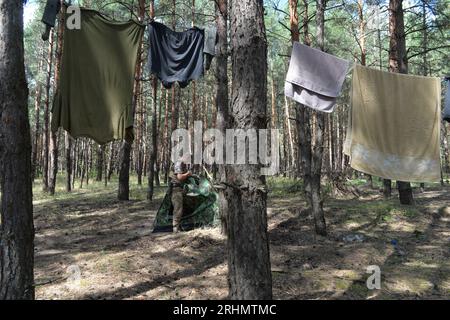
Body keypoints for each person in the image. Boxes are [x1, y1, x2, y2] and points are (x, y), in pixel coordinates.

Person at [170, 161, 192, 232]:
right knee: (178, 209)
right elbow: (179, 177)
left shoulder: (182, 164)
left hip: (181, 189)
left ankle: (179, 227)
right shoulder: (178, 163)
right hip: (177, 190)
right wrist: (187, 174)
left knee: (182, 208)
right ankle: (175, 228)